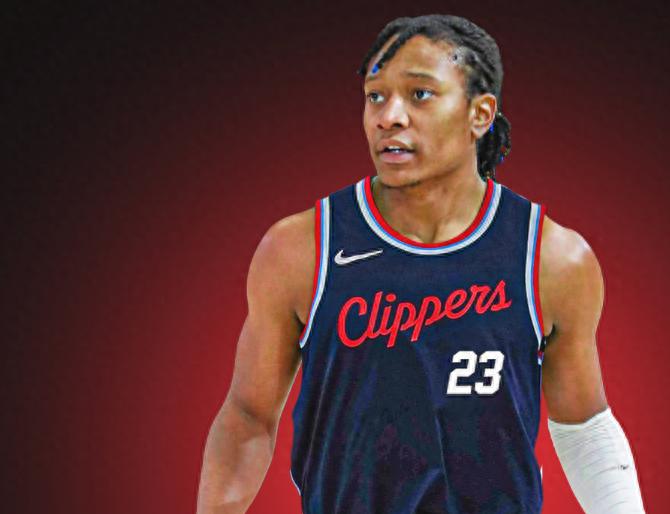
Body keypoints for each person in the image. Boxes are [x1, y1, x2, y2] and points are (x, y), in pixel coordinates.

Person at [197, 14, 645, 514]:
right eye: (375, 96)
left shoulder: (550, 257)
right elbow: (248, 415)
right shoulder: (302, 248)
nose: (388, 116)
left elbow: (585, 429)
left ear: (480, 114)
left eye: (419, 94)